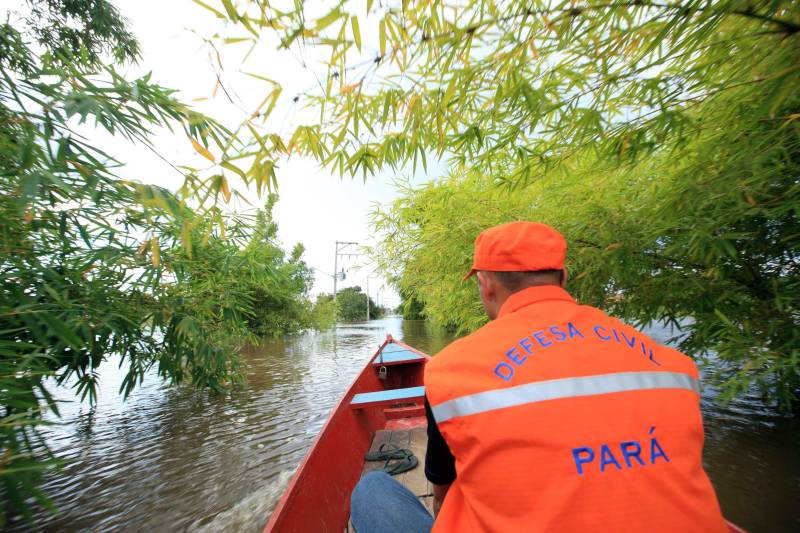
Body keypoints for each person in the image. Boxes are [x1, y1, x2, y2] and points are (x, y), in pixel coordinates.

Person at [351, 221, 727, 533]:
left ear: (486, 285)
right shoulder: (674, 364)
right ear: (563, 277)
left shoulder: (452, 370)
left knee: (372, 491)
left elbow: (443, 488)